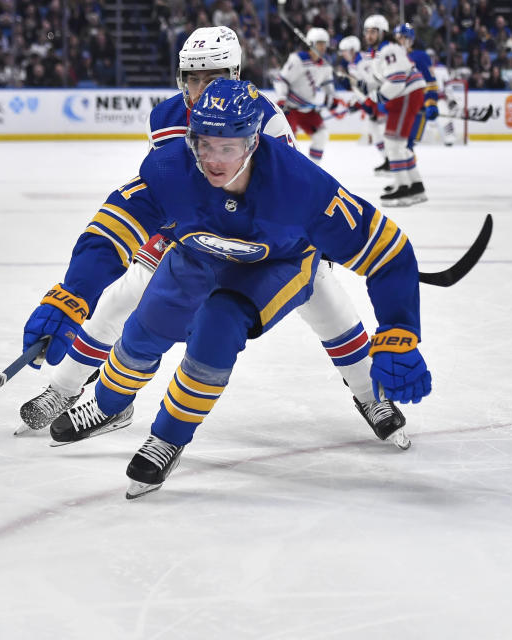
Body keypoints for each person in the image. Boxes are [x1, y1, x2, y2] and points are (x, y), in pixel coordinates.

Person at [32, 80, 431, 499]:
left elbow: (389, 252)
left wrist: (399, 330)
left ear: (253, 142)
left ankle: (169, 436)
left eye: (228, 147)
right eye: (205, 145)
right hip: (198, 253)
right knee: (145, 327)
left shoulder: (302, 187)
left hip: (276, 264)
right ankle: (110, 403)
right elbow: (110, 229)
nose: (214, 160)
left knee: (219, 325)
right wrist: (73, 294)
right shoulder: (170, 168)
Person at [362, 15, 428, 206]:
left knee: (393, 143)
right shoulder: (380, 52)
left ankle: (403, 189)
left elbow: (397, 80)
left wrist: (379, 97)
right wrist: (365, 86)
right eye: (367, 31)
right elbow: (383, 80)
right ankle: (415, 185)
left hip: (406, 94)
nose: (369, 35)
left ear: (382, 32)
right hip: (406, 94)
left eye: (373, 31)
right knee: (398, 145)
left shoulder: (389, 49)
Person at [272, 28, 341, 164]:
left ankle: (313, 169)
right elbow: (281, 80)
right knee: (288, 142)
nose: (322, 47)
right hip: (290, 109)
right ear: (311, 44)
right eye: (319, 43)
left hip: (308, 110)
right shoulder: (298, 60)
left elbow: (329, 87)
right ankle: (287, 170)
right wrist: (281, 99)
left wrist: (332, 98)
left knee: (321, 136)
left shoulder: (325, 65)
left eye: (324, 43)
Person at [337, 35, 389, 173]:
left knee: (386, 131)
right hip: (372, 101)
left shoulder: (364, 61)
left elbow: (373, 83)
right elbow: (358, 88)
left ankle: (395, 160)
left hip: (380, 100)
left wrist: (367, 101)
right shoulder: (352, 65)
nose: (343, 55)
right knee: (375, 130)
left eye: (344, 51)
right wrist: (358, 102)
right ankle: (388, 160)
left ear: (352, 50)